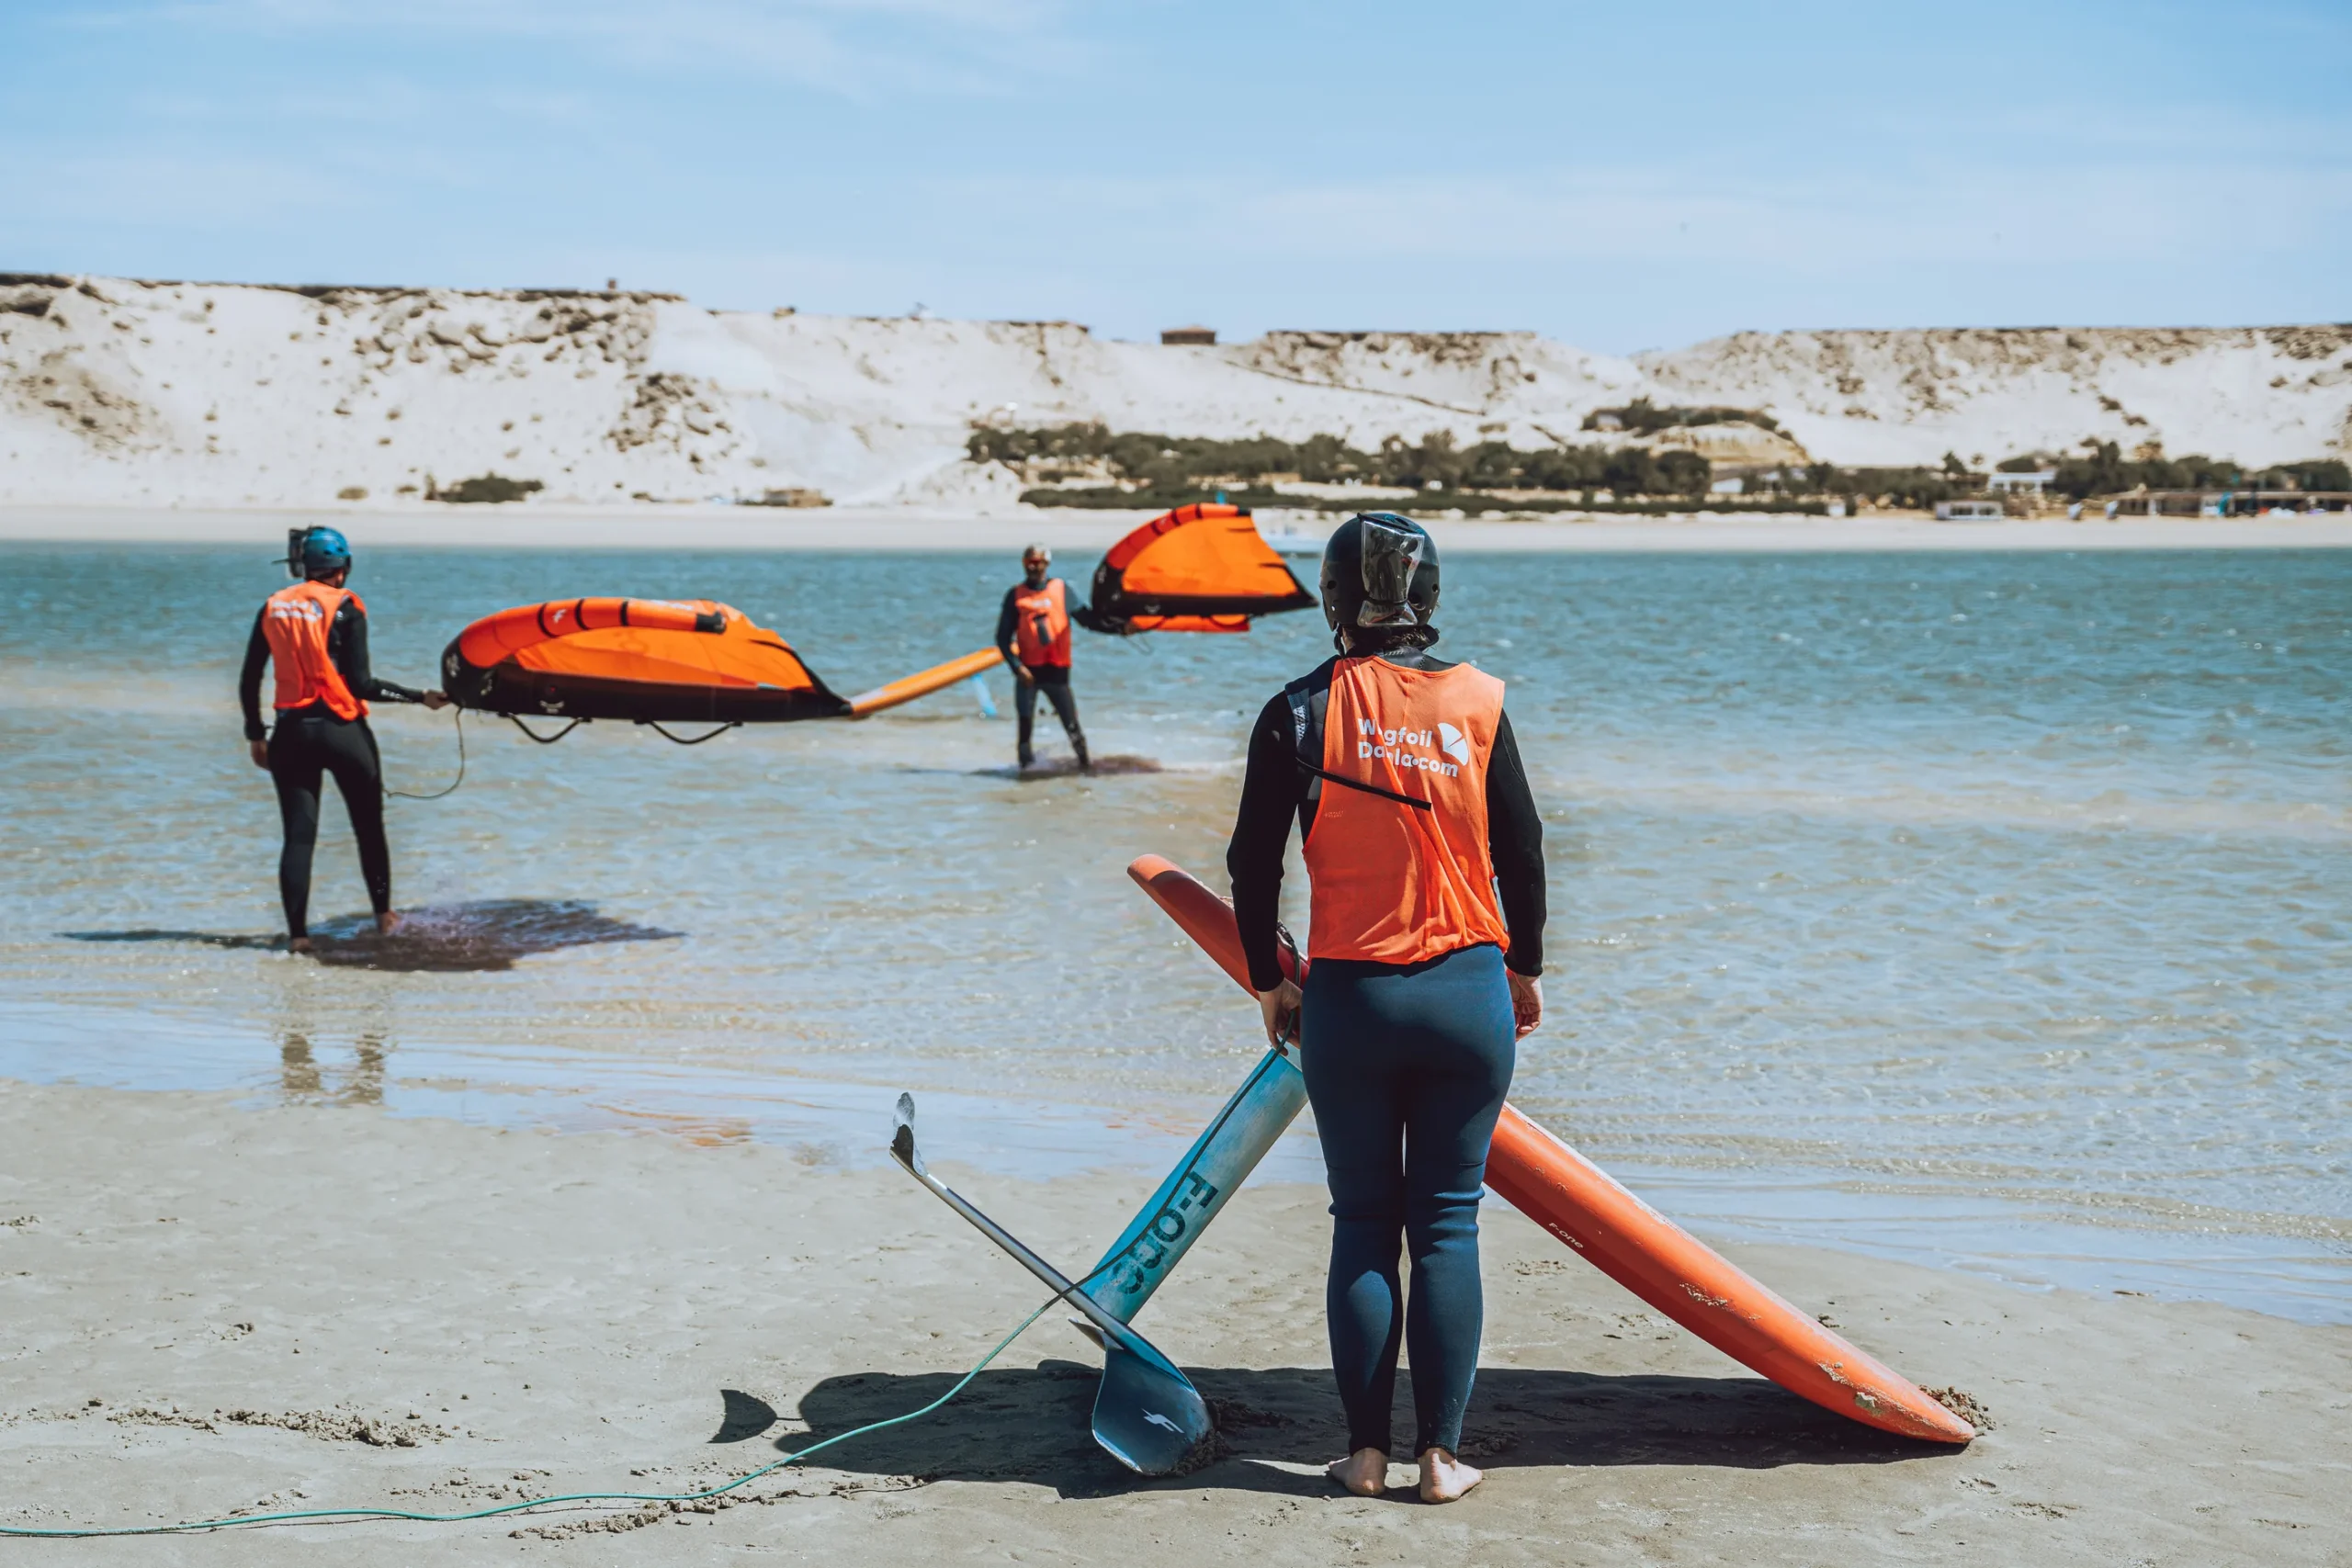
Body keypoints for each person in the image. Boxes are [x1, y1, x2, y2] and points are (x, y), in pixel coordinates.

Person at [1225, 513, 1544, 1504]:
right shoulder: (1479, 701)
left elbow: (1249, 863)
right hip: (1465, 996)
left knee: (1364, 1222)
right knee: (1445, 1225)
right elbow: (1524, 851)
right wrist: (1525, 967)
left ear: (1331, 596)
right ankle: (1441, 1460)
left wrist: (1268, 979)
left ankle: (1364, 1455)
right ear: (1430, 597)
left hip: (1351, 1004)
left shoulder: (1297, 711)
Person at [237, 526, 448, 953]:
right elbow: (363, 684)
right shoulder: (347, 607)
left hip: (291, 733)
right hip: (343, 732)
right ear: (343, 567)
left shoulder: (273, 607)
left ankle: (298, 937)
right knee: (369, 827)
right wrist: (419, 697)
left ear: (303, 566)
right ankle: (384, 917)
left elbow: (249, 678)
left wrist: (256, 735)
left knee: (299, 837)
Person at [994, 543, 1091, 773]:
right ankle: (1025, 773)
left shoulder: (1061, 589)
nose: (1032, 567)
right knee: (1025, 727)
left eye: (1037, 562)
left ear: (1046, 564)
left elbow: (1087, 619)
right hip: (1028, 673)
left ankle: (1086, 768)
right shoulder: (1015, 595)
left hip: (1057, 672)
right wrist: (1017, 668)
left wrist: (1120, 626)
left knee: (1071, 725)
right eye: (1028, 562)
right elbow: (1002, 638)